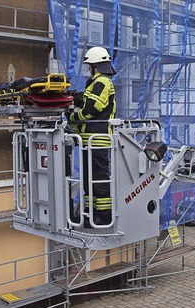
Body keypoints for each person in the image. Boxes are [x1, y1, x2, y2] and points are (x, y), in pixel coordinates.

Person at [69, 46, 117, 227]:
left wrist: (72, 117)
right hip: (89, 140)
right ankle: (90, 213)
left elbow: (92, 109)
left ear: (95, 65)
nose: (89, 68)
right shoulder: (96, 83)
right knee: (90, 179)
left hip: (98, 139)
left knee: (99, 179)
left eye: (90, 65)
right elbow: (89, 100)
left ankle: (103, 215)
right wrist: (77, 97)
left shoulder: (102, 82)